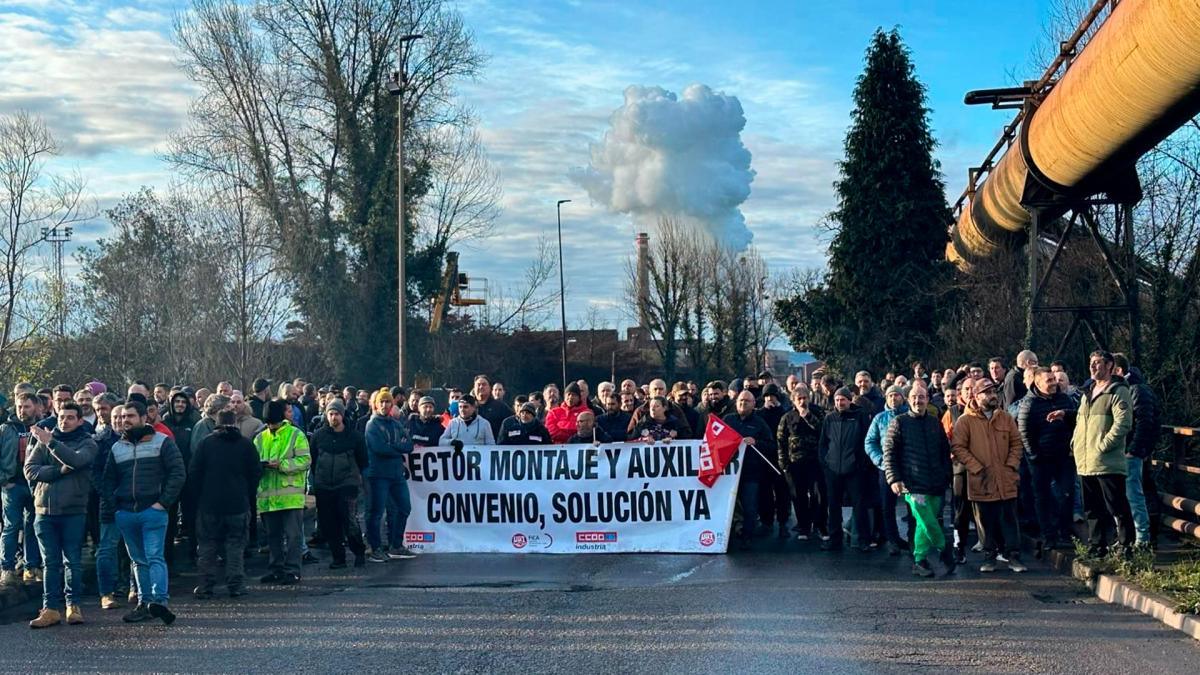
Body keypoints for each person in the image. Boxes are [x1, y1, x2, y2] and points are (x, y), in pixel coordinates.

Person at [100, 400, 186, 625]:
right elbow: (107, 481)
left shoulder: (162, 442)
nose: (125, 420)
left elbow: (178, 473)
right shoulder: (118, 448)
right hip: (126, 512)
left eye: (130, 416)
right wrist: (116, 508)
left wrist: (162, 503)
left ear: (143, 418)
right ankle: (145, 603)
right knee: (137, 560)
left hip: (153, 510)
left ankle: (160, 601)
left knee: (154, 556)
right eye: (123, 416)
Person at [24, 402, 96, 629]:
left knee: (72, 561)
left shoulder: (87, 442)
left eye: (70, 418)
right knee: (50, 563)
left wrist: (51, 442)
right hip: (44, 511)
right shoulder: (44, 442)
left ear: (79, 420)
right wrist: (57, 471)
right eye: (61, 417)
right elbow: (30, 469)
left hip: (73, 511)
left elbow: (76, 460)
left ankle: (73, 605)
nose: (64, 422)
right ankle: (51, 608)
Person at [951, 378, 1027, 573]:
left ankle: (1013, 556)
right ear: (976, 396)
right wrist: (975, 467)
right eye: (986, 392)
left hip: (1005, 478)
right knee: (985, 521)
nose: (992, 396)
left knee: (1010, 519)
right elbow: (958, 447)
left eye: (994, 392)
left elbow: (1017, 443)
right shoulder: (965, 420)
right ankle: (989, 556)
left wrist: (1011, 465)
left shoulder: (1005, 417)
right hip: (981, 480)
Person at [189, 409, 262, 597]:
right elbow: (255, 473)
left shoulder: (206, 444)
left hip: (209, 504)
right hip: (237, 503)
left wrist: (198, 497)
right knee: (236, 546)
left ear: (216, 424)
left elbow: (194, 473)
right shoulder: (245, 445)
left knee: (207, 547)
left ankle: (206, 586)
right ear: (235, 423)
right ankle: (236, 585)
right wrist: (246, 493)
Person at [884, 386, 954, 578]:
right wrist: (894, 479)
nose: (918, 400)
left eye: (921, 397)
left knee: (924, 524)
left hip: (936, 484)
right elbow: (889, 453)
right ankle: (945, 550)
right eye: (914, 397)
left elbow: (943, 452)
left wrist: (947, 475)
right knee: (927, 520)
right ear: (908, 400)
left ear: (927, 399)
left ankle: (919, 560)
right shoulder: (899, 422)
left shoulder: (935, 422)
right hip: (912, 485)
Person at [1071, 351, 1135, 557]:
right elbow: (1081, 422)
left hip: (1106, 460)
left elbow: (1123, 422)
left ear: (1109, 366)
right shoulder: (1087, 392)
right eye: (1091, 363)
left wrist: (1104, 445)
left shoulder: (1117, 391)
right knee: (1091, 507)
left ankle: (1126, 544)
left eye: (1098, 363)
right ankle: (1097, 544)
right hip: (1085, 459)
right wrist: (1075, 443)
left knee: (1116, 504)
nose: (1093, 367)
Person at [1017, 367, 1078, 551]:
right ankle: (1049, 535)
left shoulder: (1064, 399)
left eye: (1054, 379)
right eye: (1049, 380)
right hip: (1041, 459)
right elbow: (1024, 432)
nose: (1054, 384)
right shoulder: (1029, 404)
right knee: (1042, 496)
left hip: (1064, 455)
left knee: (1067, 493)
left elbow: (1076, 421)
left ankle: (1065, 532)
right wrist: (1035, 456)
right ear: (1038, 383)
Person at [254, 400, 311, 585]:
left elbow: (305, 460)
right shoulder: (260, 438)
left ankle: (292, 570)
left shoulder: (295, 434)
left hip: (290, 496)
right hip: (269, 496)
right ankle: (276, 568)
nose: (271, 425)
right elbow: (253, 462)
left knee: (293, 535)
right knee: (273, 536)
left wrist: (283, 465)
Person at [311, 400, 367, 569]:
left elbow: (363, 460)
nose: (333, 417)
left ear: (342, 415)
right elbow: (313, 460)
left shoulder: (355, 436)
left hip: (347, 483)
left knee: (349, 519)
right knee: (329, 522)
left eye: (336, 414)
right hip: (324, 484)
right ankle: (338, 558)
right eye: (330, 414)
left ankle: (359, 552)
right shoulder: (318, 436)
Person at [1113, 353, 1161, 548]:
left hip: (1131, 452)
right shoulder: (1126, 389)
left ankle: (1144, 538)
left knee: (1136, 494)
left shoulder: (1137, 390)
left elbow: (1145, 422)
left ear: (1118, 370)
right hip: (1125, 451)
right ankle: (1132, 536)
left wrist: (1135, 449)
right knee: (1127, 494)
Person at [817, 387, 873, 551]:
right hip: (833, 469)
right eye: (837, 400)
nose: (840, 403)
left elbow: (866, 441)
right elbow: (823, 444)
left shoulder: (860, 417)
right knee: (833, 506)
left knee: (859, 505)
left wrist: (860, 464)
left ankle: (864, 540)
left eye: (843, 399)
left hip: (854, 469)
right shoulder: (829, 418)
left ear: (849, 400)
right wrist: (826, 464)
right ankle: (835, 538)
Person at [364, 390, 416, 562]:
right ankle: (375, 547)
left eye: (388, 402)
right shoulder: (372, 425)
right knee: (376, 512)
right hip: (378, 474)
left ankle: (396, 544)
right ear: (377, 404)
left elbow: (409, 445)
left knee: (404, 507)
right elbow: (379, 448)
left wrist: (392, 446)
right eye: (382, 402)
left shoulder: (396, 424)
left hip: (396, 474)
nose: (385, 405)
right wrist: (397, 447)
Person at [722, 390, 778, 548]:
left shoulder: (760, 423)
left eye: (747, 401)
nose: (743, 403)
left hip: (751, 471)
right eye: (740, 400)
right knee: (728, 505)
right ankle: (729, 534)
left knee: (749, 505)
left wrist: (756, 442)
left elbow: (771, 445)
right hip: (729, 471)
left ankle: (747, 536)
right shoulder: (728, 420)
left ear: (754, 404)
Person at [0, 393, 42, 586]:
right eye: (19, 406)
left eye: (26, 406)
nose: (22, 410)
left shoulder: (43, 427)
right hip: (12, 485)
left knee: (33, 526)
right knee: (11, 526)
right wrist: (4, 480)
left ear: (36, 407)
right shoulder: (5, 429)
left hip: (35, 485)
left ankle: (31, 566)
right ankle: (6, 568)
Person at [864, 384, 910, 556]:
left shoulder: (909, 415)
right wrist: (880, 460)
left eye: (896, 395)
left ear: (902, 397)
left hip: (908, 467)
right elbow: (870, 442)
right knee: (887, 506)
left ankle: (913, 539)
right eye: (890, 396)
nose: (893, 398)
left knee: (911, 506)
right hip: (886, 468)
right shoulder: (879, 418)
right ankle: (893, 540)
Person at [777, 387, 826, 541]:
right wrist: (783, 463)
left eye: (805, 398)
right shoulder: (787, 417)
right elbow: (781, 441)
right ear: (794, 401)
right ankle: (804, 526)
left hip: (815, 462)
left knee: (818, 495)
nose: (802, 401)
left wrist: (808, 416)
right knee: (798, 496)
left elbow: (823, 431)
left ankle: (820, 525)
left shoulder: (817, 413)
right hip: (795, 464)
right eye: (799, 399)